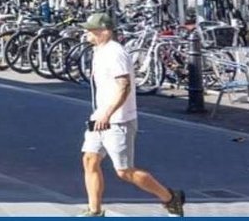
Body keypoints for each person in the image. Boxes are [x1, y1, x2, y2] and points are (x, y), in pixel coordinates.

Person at [78, 12, 185, 217]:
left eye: (91, 30)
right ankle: (94, 210)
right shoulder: (99, 51)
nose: (87, 33)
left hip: (117, 120)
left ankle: (170, 198)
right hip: (99, 117)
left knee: (124, 171)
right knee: (90, 159)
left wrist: (108, 114)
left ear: (105, 32)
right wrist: (100, 114)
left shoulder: (115, 53)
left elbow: (124, 86)